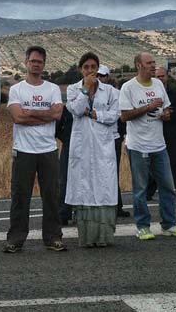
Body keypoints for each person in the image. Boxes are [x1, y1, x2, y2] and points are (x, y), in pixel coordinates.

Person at [119, 52, 176, 240]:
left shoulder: (158, 84)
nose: (153, 66)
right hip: (138, 146)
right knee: (140, 189)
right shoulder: (128, 87)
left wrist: (166, 114)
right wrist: (148, 108)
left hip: (159, 145)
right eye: (149, 63)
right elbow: (124, 116)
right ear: (138, 65)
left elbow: (166, 108)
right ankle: (142, 226)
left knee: (167, 186)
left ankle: (169, 224)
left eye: (153, 62)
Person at [4, 46, 65, 253]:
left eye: (40, 61)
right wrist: (43, 113)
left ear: (44, 64)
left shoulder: (53, 88)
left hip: (48, 150)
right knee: (20, 197)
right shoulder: (17, 89)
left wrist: (29, 111)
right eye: (33, 61)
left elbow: (57, 115)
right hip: (23, 150)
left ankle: (53, 237)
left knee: (51, 196)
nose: (36, 64)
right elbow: (17, 117)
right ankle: (15, 239)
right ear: (26, 62)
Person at [65, 53, 119, 247]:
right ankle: (87, 238)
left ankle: (104, 236)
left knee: (104, 188)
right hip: (83, 146)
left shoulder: (111, 91)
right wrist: (85, 90)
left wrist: (97, 114)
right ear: (81, 69)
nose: (90, 70)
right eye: (86, 67)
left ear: (98, 68)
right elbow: (76, 110)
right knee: (85, 189)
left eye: (93, 67)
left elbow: (115, 114)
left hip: (103, 145)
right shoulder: (73, 89)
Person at [145, 67, 176, 202]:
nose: (160, 79)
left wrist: (165, 114)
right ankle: (148, 192)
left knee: (174, 163)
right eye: (157, 76)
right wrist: (162, 113)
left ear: (167, 77)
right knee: (155, 164)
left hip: (172, 135)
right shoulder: (149, 94)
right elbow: (148, 113)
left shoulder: (174, 94)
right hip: (155, 134)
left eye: (162, 76)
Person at [97, 64, 130, 218]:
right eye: (97, 75)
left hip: (112, 138)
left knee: (112, 172)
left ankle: (116, 206)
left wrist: (121, 134)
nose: (99, 78)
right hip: (94, 139)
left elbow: (120, 116)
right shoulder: (88, 93)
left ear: (107, 77)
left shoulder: (116, 93)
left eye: (102, 76)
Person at [56, 106, 73, 225]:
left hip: (89, 144)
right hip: (69, 146)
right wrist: (66, 140)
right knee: (65, 180)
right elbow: (57, 129)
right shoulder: (67, 108)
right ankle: (63, 213)